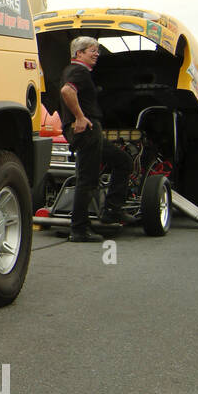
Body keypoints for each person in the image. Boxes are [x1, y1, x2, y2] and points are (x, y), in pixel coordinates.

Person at [58, 36, 133, 243]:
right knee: (88, 179)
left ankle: (112, 210)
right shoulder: (78, 71)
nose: (97, 54)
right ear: (79, 53)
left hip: (89, 130)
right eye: (93, 50)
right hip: (87, 129)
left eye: (97, 50)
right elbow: (67, 91)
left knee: (122, 161)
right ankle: (79, 229)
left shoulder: (74, 71)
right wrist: (80, 117)